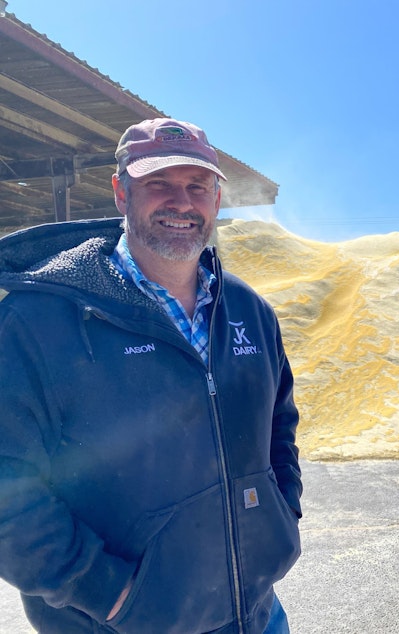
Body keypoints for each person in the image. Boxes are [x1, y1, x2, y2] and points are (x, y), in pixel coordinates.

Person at [0, 118, 302, 633]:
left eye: (197, 186)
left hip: (256, 612)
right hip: (118, 623)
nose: (180, 202)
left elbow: (279, 427)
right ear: (121, 193)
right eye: (158, 183)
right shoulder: (40, 320)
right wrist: (112, 597)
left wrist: (280, 518)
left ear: (216, 198)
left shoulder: (249, 310)